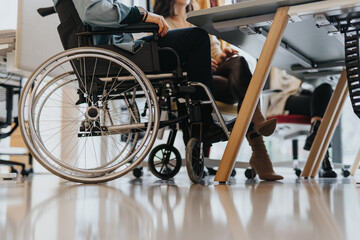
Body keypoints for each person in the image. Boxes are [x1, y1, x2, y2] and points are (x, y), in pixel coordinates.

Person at [154, 0, 283, 181]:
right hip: (188, 81)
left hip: (214, 78)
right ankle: (259, 151)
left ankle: (256, 122)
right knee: (240, 77)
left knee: (238, 61)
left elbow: (214, 52)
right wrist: (198, 62)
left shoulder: (195, 20)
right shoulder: (161, 22)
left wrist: (222, 56)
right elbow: (162, 60)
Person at [267, 68, 337, 177]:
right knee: (326, 106)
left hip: (309, 96)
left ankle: (315, 131)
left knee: (326, 88)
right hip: (285, 98)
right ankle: (325, 159)